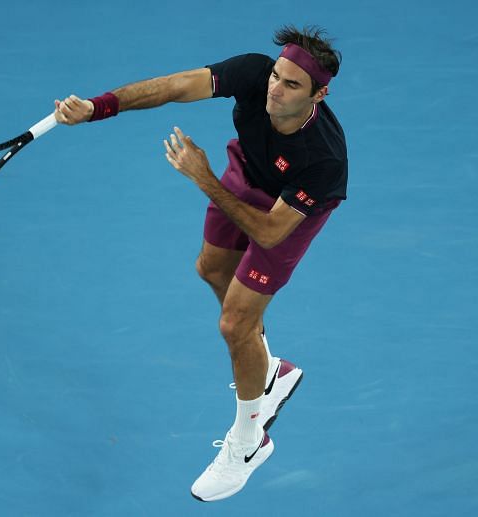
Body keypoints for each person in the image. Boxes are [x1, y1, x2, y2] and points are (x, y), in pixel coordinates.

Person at [53, 25, 346, 502]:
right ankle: (268, 370)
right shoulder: (255, 74)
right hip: (245, 175)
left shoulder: (324, 159)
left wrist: (203, 177)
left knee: (234, 323)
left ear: (320, 94)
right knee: (210, 269)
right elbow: (174, 85)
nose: (275, 88)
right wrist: (96, 108)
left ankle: (249, 444)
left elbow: (270, 232)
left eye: (292, 85)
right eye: (276, 76)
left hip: (285, 216)